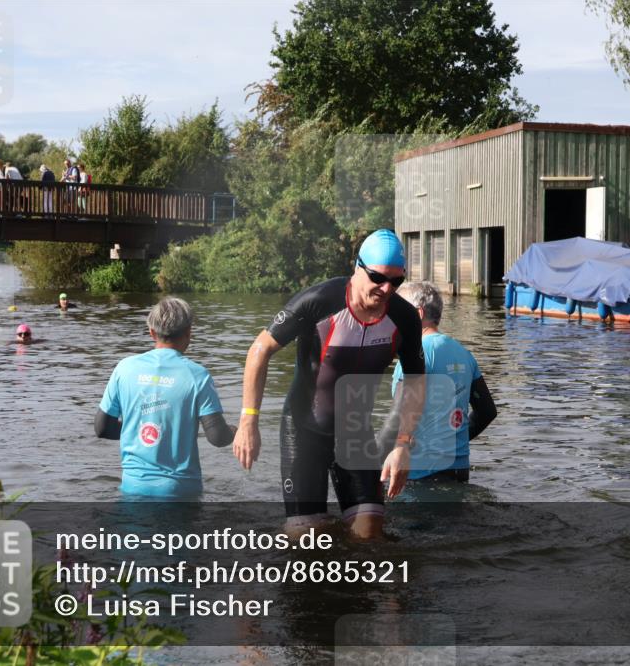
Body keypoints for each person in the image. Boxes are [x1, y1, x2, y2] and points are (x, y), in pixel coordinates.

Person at [231, 229, 426, 540]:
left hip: (355, 433)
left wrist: (403, 444)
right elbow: (259, 350)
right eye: (378, 278)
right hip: (305, 430)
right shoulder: (319, 302)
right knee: (306, 541)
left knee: (370, 535)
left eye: (397, 281)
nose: (387, 288)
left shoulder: (404, 317)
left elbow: (416, 380)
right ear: (358, 267)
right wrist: (248, 420)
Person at [95, 297, 235, 498]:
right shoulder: (198, 375)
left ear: (152, 333)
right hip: (181, 493)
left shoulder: (124, 368)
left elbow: (101, 427)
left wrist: (136, 430)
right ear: (189, 333)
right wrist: (236, 432)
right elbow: (217, 437)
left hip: (133, 489)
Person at [390, 282, 497, 482]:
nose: (390, 318)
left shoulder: (413, 356)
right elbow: (487, 412)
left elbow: (398, 417)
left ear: (417, 314)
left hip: (420, 473)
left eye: (396, 312)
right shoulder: (464, 353)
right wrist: (454, 443)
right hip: (458, 470)